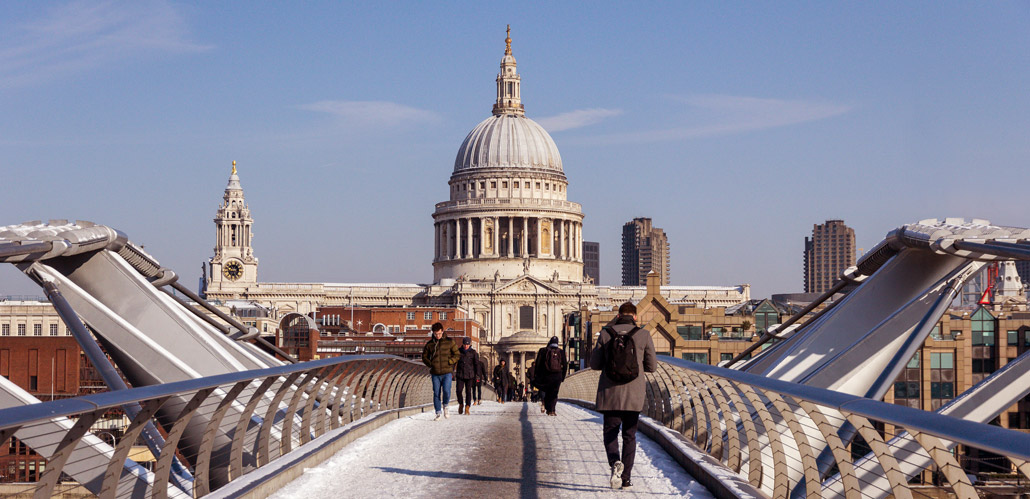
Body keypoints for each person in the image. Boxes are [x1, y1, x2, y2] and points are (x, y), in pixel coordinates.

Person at [589, 301, 656, 490]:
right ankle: (626, 478)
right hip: (633, 394)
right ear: (635, 317)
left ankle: (614, 462)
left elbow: (594, 364)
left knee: (610, 431)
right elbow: (652, 367)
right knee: (629, 435)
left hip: (610, 393)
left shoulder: (605, 334)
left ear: (618, 316)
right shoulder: (643, 335)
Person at [422, 322, 460, 420]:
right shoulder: (430, 344)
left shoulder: (450, 342)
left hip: (447, 372)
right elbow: (424, 356)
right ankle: (438, 413)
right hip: (435, 373)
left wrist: (450, 361)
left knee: (447, 391)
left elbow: (457, 355)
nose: (438, 336)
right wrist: (430, 364)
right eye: (435, 334)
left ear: (442, 331)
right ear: (433, 333)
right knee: (436, 393)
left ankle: (446, 405)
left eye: (439, 333)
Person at [533, 336, 568, 416]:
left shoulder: (543, 351)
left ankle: (548, 408)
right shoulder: (561, 352)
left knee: (547, 391)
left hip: (546, 375)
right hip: (557, 375)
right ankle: (552, 410)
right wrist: (563, 377)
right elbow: (565, 365)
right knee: (554, 393)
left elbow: (538, 364)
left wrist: (537, 375)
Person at [454, 337, 479, 415]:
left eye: (467, 344)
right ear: (463, 344)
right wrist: (451, 371)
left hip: (470, 375)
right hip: (460, 374)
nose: (466, 346)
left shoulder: (473, 353)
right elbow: (454, 362)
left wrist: (477, 375)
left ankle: (467, 407)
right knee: (458, 390)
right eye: (465, 344)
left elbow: (476, 364)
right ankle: (461, 404)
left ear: (470, 344)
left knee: (468, 391)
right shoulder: (458, 352)